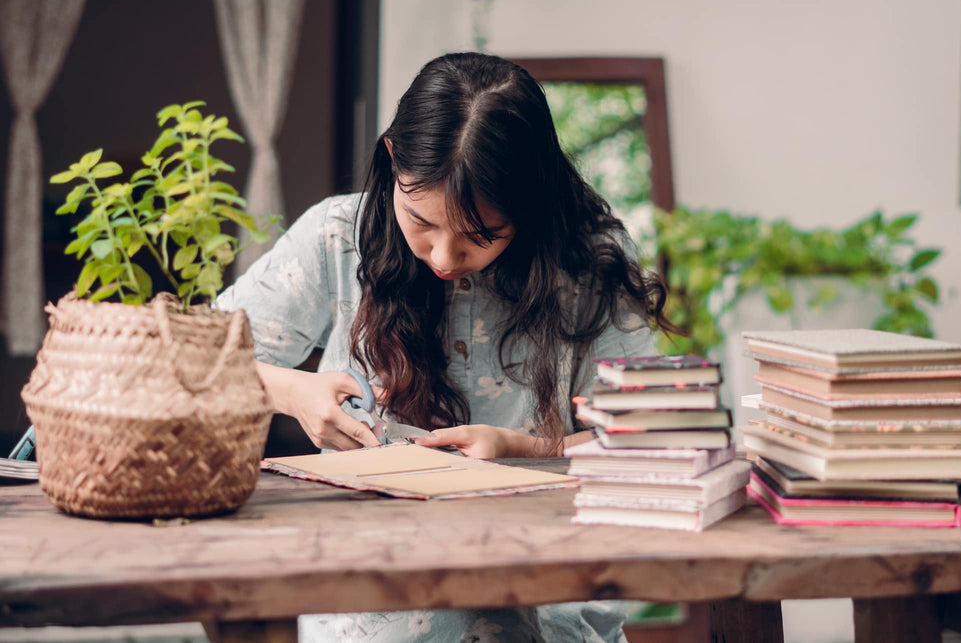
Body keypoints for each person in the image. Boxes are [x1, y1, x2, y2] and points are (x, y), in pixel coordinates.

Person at [217, 51, 679, 642]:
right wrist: (294, 392)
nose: (443, 257)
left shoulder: (590, 260)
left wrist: (530, 448)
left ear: (529, 203)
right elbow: (188, 359)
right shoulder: (338, 237)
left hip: (547, 609)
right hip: (365, 616)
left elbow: (661, 436)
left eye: (479, 236)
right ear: (392, 159)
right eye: (421, 222)